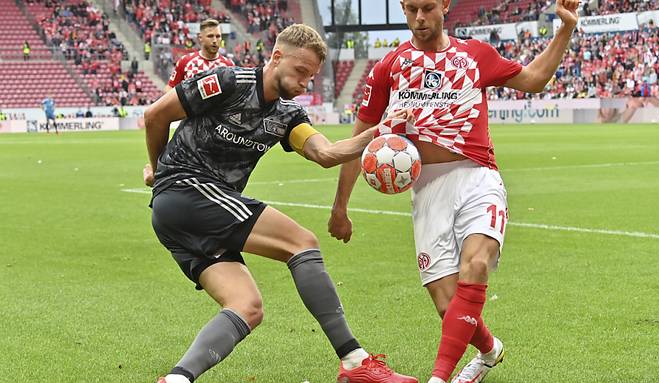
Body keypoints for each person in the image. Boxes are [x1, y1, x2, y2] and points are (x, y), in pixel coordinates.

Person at [143, 24, 418, 383]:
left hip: (186, 214)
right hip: (187, 190)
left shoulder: (288, 116)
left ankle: (177, 379)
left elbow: (326, 153)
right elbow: (154, 115)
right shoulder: (228, 82)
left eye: (312, 76)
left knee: (247, 307)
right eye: (301, 71)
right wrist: (162, 166)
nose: (306, 82)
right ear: (276, 57)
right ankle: (354, 361)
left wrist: (378, 132)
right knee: (301, 242)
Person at [327, 1, 580, 383]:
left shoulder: (475, 55)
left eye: (427, 8)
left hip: (477, 177)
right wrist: (340, 207)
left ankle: (439, 378)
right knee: (450, 308)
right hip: (426, 190)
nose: (419, 18)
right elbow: (358, 139)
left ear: (445, 5)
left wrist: (565, 30)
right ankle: (490, 350)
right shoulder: (388, 69)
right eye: (411, 9)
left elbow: (533, 79)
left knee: (476, 266)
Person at [165, 19, 235, 93]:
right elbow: (170, 88)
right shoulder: (186, 61)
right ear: (200, 38)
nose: (215, 40)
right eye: (210, 36)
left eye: (218, 36)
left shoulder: (229, 65)